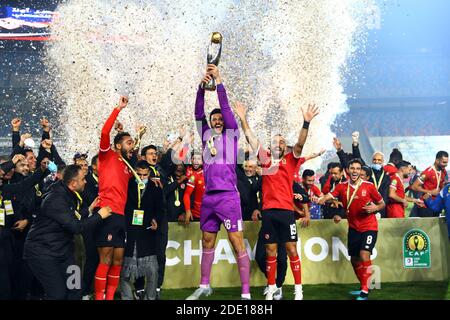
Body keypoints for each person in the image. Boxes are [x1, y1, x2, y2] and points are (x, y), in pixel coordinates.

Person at [234, 98, 319, 300]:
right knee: (270, 252)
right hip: (269, 213)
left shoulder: (291, 160)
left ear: (285, 146)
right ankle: (271, 288)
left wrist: (306, 122)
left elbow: (301, 142)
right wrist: (243, 118)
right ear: (271, 145)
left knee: (291, 250)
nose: (278, 143)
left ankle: (298, 290)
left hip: (287, 213)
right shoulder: (264, 159)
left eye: (282, 141)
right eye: (275, 141)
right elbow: (250, 137)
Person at [187, 64, 251, 300]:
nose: (216, 121)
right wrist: (201, 89)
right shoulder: (205, 137)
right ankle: (205, 285)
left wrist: (220, 82)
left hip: (228, 197)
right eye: (213, 119)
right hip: (209, 198)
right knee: (206, 240)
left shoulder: (231, 134)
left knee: (237, 243)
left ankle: (245, 292)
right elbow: (197, 113)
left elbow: (225, 107)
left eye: (219, 119)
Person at [24, 165, 112, 300]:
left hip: (63, 252)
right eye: (83, 179)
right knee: (58, 294)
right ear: (73, 183)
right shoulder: (56, 199)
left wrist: (89, 209)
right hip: (43, 253)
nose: (86, 181)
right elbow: (75, 227)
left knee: (76, 287)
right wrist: (99, 216)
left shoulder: (67, 193)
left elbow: (72, 216)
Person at [318, 159, 385, 301]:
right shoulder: (342, 187)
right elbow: (328, 196)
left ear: (361, 171)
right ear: (347, 170)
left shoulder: (369, 186)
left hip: (369, 227)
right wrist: (321, 199)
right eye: (352, 168)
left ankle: (366, 290)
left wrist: (376, 208)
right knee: (354, 259)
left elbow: (382, 203)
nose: (355, 171)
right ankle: (363, 286)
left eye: (358, 168)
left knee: (364, 254)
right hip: (354, 228)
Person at [94, 96, 137, 300]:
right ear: (118, 146)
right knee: (106, 258)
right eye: (129, 143)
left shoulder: (128, 166)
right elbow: (104, 132)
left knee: (118, 260)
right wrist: (117, 109)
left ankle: (110, 297)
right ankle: (100, 297)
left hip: (120, 216)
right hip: (107, 213)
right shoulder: (107, 156)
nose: (133, 146)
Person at [0, 154, 49, 300]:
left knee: (7, 280)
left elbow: (26, 184)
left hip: (6, 241)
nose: (2, 176)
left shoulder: (5, 191)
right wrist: (12, 162)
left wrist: (41, 170)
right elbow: (3, 171)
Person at [121, 160, 162, 300]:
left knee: (152, 270)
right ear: (135, 172)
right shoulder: (127, 185)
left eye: (145, 175)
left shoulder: (156, 187)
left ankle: (150, 298)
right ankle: (127, 297)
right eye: (139, 174)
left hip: (147, 233)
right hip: (130, 232)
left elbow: (160, 209)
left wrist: (156, 219)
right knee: (126, 271)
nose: (142, 177)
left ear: (149, 173)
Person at [410, 151, 448, 217]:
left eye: (447, 162)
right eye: (444, 162)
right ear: (437, 160)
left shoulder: (443, 171)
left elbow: (441, 185)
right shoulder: (428, 172)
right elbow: (414, 186)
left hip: (437, 205)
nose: (446, 164)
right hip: (426, 205)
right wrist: (430, 192)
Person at [183, 152, 205, 224]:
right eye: (194, 158)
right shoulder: (191, 175)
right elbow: (186, 194)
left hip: (210, 212)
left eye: (199, 159)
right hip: (196, 214)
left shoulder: (209, 173)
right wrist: (187, 210)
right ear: (191, 160)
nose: (196, 161)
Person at [369, 152, 391, 218]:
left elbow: (385, 195)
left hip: (381, 210)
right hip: (368, 208)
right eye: (374, 159)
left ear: (383, 161)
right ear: (372, 160)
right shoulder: (367, 174)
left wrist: (378, 209)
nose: (376, 162)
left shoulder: (386, 177)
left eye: (379, 160)